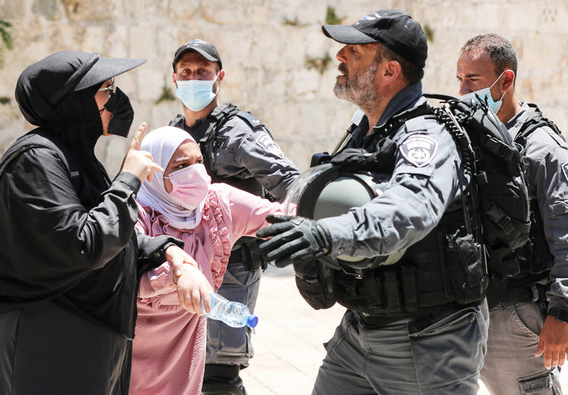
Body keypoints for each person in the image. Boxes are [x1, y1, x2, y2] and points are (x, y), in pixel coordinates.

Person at [257, 10, 489, 394]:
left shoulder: (426, 135)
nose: (340, 57)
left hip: (429, 340)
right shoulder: (364, 133)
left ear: (389, 71)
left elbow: (410, 208)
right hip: (361, 331)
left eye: (355, 51)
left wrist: (323, 234)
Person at [0, 50, 199, 395]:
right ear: (74, 102)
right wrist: (128, 180)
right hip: (48, 343)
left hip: (87, 334)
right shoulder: (35, 160)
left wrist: (168, 250)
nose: (116, 99)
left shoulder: (74, 158)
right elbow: (83, 244)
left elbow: (111, 231)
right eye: (106, 89)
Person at [168, 38, 300, 394]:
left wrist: (284, 232)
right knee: (186, 367)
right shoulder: (174, 133)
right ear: (175, 79)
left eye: (203, 71)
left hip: (232, 269)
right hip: (184, 268)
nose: (194, 77)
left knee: (219, 373)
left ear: (218, 76)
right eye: (186, 72)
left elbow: (290, 182)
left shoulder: (238, 131)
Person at [129, 126, 284, 395]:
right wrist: (179, 274)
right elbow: (131, 268)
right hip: (129, 352)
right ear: (154, 173)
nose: (196, 171)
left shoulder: (217, 205)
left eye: (199, 161)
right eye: (181, 165)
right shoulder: (135, 212)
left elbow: (279, 218)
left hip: (182, 359)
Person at [457, 33, 568, 395]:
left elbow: (565, 235)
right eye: (459, 79)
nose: (462, 91)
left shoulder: (543, 150)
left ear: (505, 81)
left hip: (518, 314)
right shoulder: (472, 139)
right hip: (473, 308)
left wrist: (562, 313)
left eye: (472, 80)